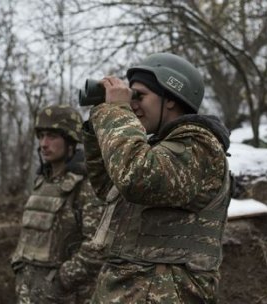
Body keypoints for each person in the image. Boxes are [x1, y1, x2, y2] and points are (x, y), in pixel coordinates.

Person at [82, 53, 233, 303]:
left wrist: (118, 112)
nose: (132, 104)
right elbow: (109, 185)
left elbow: (136, 177)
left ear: (171, 98)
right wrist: (102, 118)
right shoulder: (157, 150)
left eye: (139, 95)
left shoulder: (199, 146)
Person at [11, 105, 105, 304]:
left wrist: (62, 280)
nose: (44, 144)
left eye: (52, 136)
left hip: (64, 296)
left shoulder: (85, 185)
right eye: (41, 136)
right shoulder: (42, 182)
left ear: (70, 141)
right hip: (30, 293)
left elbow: (97, 247)